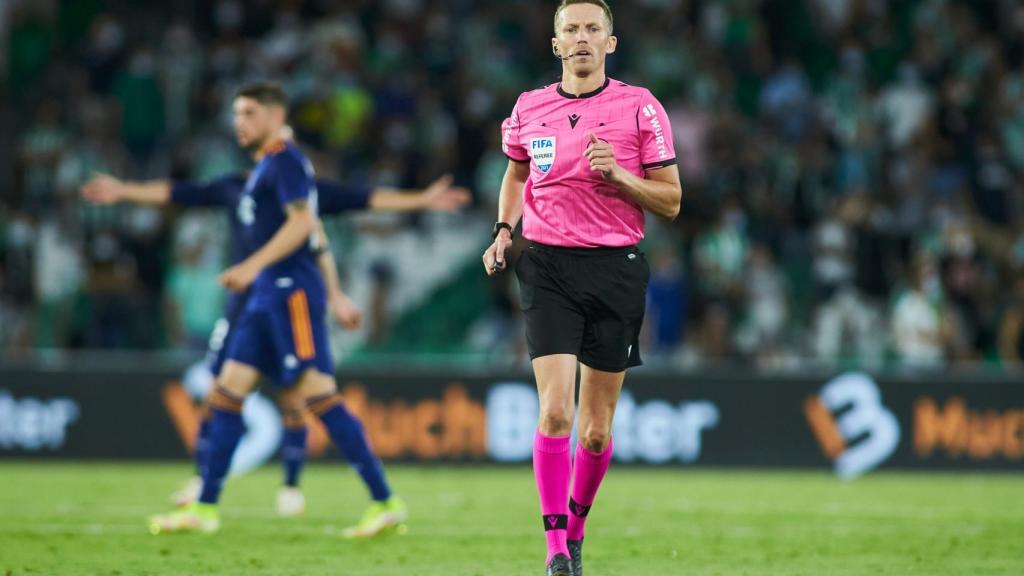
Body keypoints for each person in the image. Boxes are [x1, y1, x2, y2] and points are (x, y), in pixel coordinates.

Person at [81, 153, 468, 518]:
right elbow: (179, 191)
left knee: (298, 395)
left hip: (286, 300)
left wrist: (420, 200)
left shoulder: (304, 191)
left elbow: (358, 205)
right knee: (222, 392)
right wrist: (124, 190)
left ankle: (294, 484)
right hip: (243, 304)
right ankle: (206, 487)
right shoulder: (237, 187)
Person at [135, 82, 404, 537]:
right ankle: (204, 507)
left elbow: (306, 226)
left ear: (276, 117)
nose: (240, 122)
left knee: (318, 397)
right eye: (237, 114)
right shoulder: (263, 171)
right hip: (263, 295)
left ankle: (384, 501)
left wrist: (253, 267)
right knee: (225, 393)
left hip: (289, 292)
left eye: (250, 113)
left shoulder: (287, 163)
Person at [482, 2, 681, 574]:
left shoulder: (639, 106)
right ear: (556, 44)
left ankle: (576, 528)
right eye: (571, 29)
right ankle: (554, 553)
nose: (582, 38)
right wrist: (503, 230)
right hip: (547, 268)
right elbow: (517, 172)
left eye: (594, 29)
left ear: (611, 43)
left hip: (616, 268)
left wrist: (618, 174)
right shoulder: (528, 108)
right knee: (555, 414)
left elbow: (671, 200)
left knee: (595, 433)